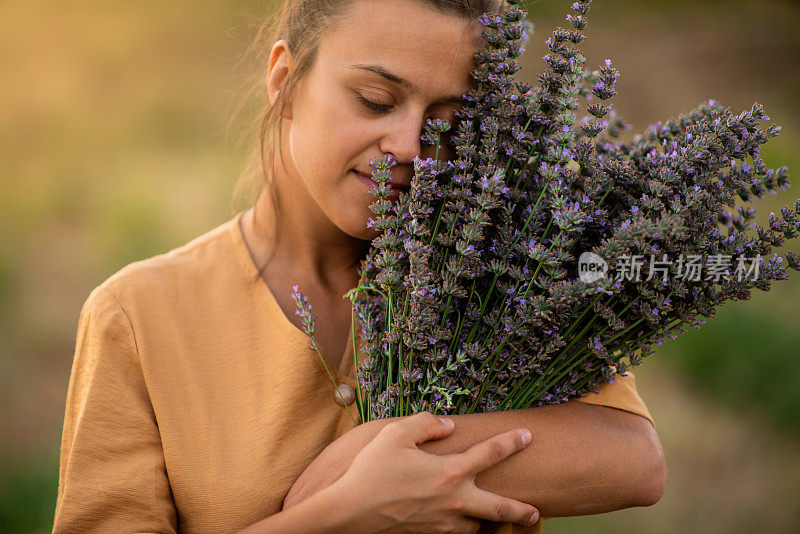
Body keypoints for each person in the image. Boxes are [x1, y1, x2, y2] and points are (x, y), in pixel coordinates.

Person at [52, 0, 666, 533]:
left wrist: (371, 453)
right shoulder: (137, 316)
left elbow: (633, 458)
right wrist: (342, 514)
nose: (408, 146)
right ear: (285, 80)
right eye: (376, 101)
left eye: (447, 123)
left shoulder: (499, 268)